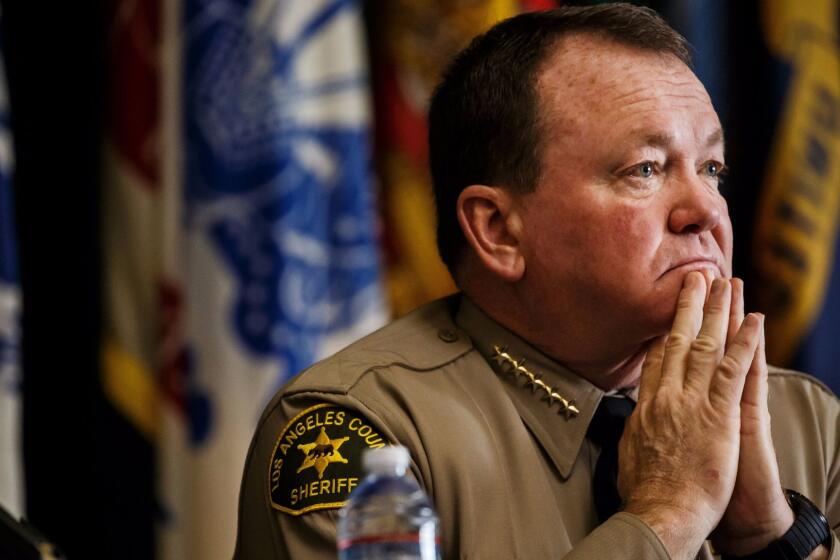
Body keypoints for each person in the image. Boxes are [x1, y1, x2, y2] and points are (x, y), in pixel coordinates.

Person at [234, 4, 840, 559]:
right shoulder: (358, 434)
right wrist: (667, 514)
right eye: (645, 170)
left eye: (711, 168)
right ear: (498, 229)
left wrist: (770, 538)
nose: (705, 210)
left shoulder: (803, 417)